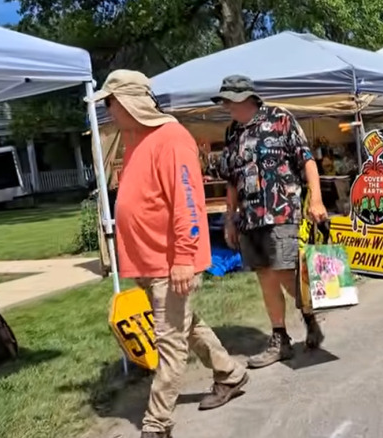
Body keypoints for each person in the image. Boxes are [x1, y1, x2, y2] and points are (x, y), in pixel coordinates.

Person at [88, 70, 249, 438]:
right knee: (186, 326)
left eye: (110, 102)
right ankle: (230, 374)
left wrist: (182, 259)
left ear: (128, 101)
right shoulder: (135, 139)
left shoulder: (171, 137)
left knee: (170, 344)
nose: (108, 110)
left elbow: (187, 204)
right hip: (149, 262)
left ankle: (156, 424)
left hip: (171, 262)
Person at [215, 75, 327, 369]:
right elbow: (231, 179)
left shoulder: (281, 118)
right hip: (249, 218)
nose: (226, 106)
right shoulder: (232, 132)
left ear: (246, 98)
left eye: (229, 100)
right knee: (265, 276)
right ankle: (281, 340)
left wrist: (316, 199)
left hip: (282, 211)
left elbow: (307, 159)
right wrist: (229, 218)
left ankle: (309, 316)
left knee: (284, 274)